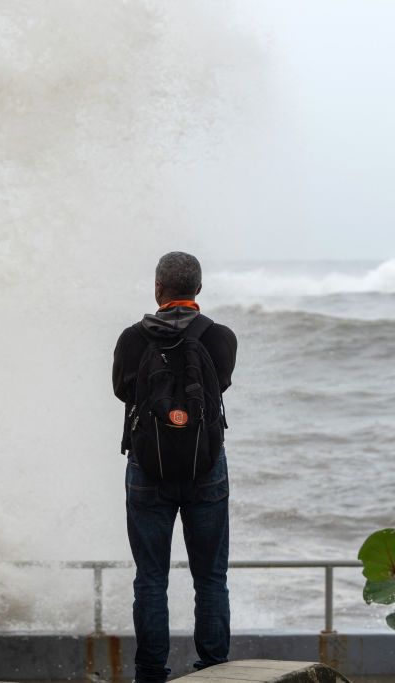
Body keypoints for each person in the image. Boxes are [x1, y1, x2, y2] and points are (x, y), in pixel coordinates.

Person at [112, 251, 237, 683]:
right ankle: (214, 671)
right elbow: (219, 384)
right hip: (207, 469)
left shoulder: (132, 338)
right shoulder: (220, 337)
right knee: (211, 578)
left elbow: (120, 391)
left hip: (148, 470)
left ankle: (150, 674)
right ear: (198, 289)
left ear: (157, 288)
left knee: (150, 578)